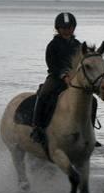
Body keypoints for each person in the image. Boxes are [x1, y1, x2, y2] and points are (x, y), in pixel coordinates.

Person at [30, 12, 99, 146]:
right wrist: (63, 76)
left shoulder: (78, 45)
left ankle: (88, 132)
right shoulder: (53, 45)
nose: (67, 31)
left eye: (70, 28)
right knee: (44, 94)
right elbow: (52, 64)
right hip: (56, 78)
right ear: (58, 29)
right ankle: (36, 128)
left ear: (73, 28)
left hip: (74, 79)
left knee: (93, 101)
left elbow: (83, 63)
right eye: (63, 28)